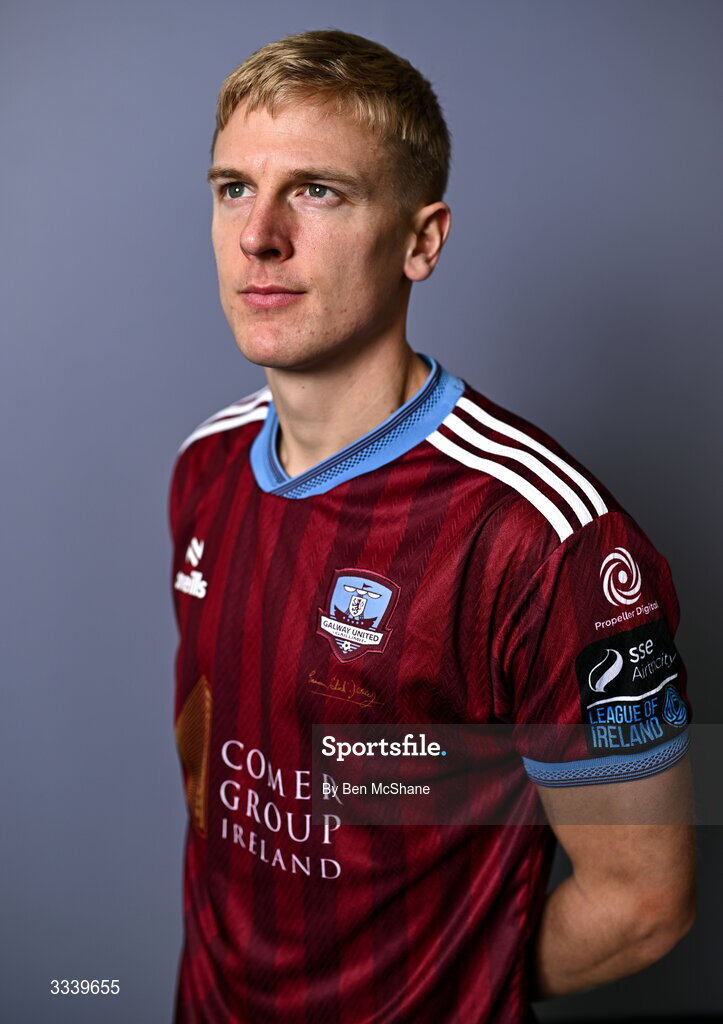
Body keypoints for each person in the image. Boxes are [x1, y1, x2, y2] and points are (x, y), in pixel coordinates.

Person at [169, 29, 695, 1024]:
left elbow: (644, 904)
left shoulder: (548, 540)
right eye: (234, 187)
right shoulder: (203, 464)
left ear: (423, 239)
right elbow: (223, 757)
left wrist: (440, 991)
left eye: (318, 190)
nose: (259, 235)